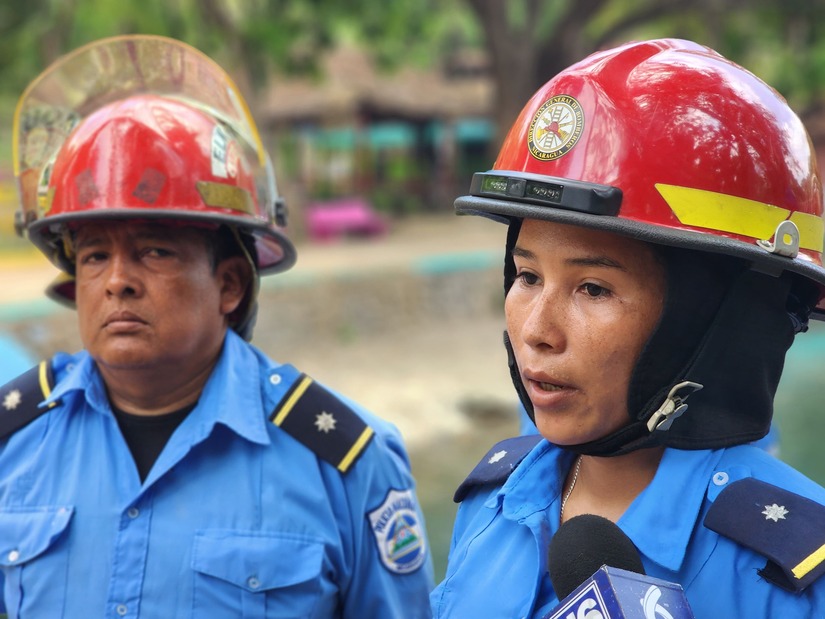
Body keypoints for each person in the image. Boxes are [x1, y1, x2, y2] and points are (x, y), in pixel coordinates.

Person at [1, 34, 433, 618]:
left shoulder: (346, 462)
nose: (116, 282)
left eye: (154, 252)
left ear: (229, 285)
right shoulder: (15, 440)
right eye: (95, 255)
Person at [430, 38, 825, 617]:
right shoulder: (491, 503)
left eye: (593, 288)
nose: (537, 331)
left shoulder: (799, 576)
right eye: (526, 275)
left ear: (714, 320)